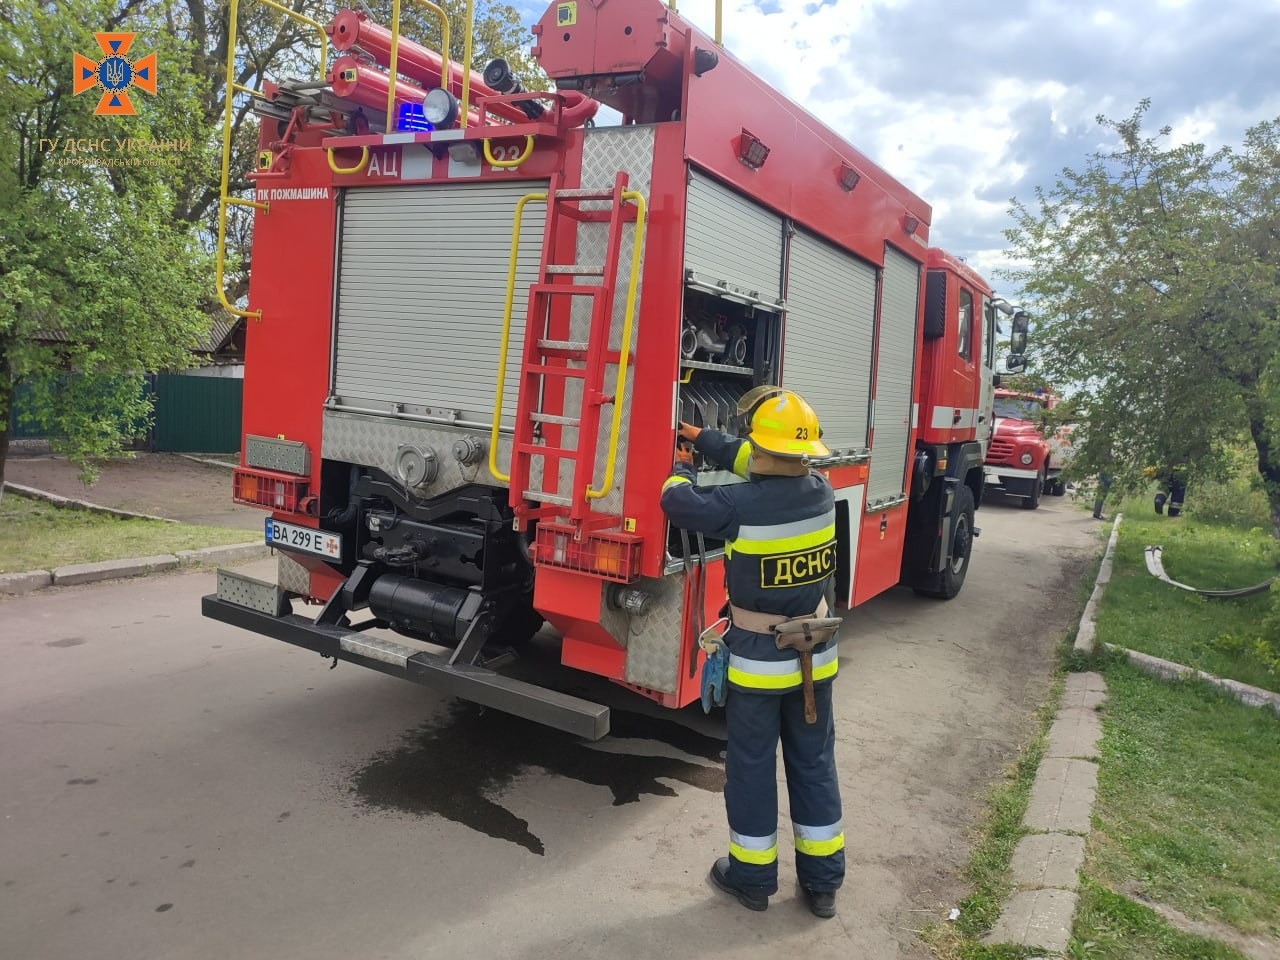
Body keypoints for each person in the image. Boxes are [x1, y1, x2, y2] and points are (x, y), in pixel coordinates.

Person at [660, 386, 844, 919]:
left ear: (761, 447)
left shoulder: (737, 505)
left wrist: (681, 464)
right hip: (817, 660)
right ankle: (823, 882)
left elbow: (676, 503)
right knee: (813, 764)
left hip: (760, 666)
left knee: (752, 768)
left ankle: (753, 878)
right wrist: (707, 438)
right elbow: (761, 460)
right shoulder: (820, 491)